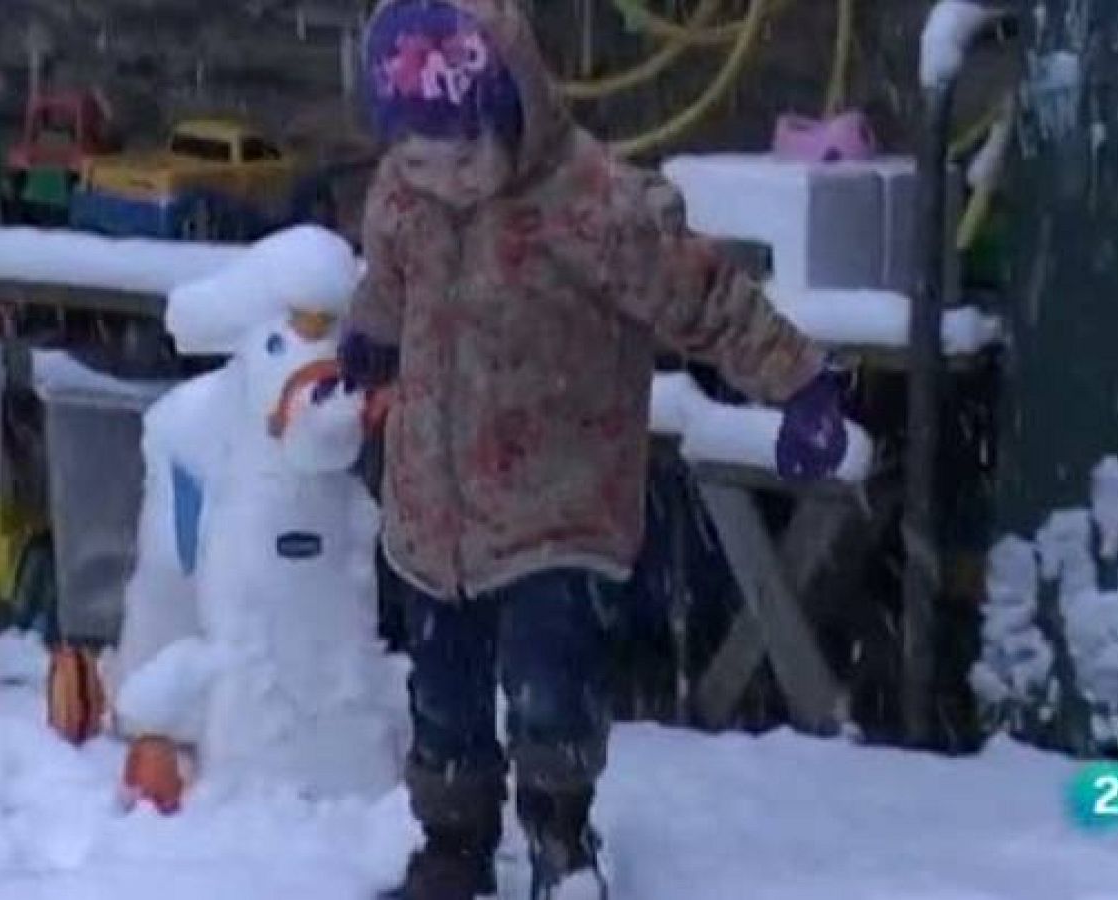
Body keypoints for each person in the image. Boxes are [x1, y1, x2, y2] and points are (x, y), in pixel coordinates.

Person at [341, 1, 848, 897]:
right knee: (443, 695)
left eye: (467, 154)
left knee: (550, 690)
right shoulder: (401, 195)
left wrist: (799, 382)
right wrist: (372, 335)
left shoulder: (592, 205)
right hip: (433, 506)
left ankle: (560, 840)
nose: (446, 179)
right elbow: (388, 277)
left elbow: (703, 297)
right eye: (420, 157)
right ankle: (454, 844)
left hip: (558, 505)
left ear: (514, 114)